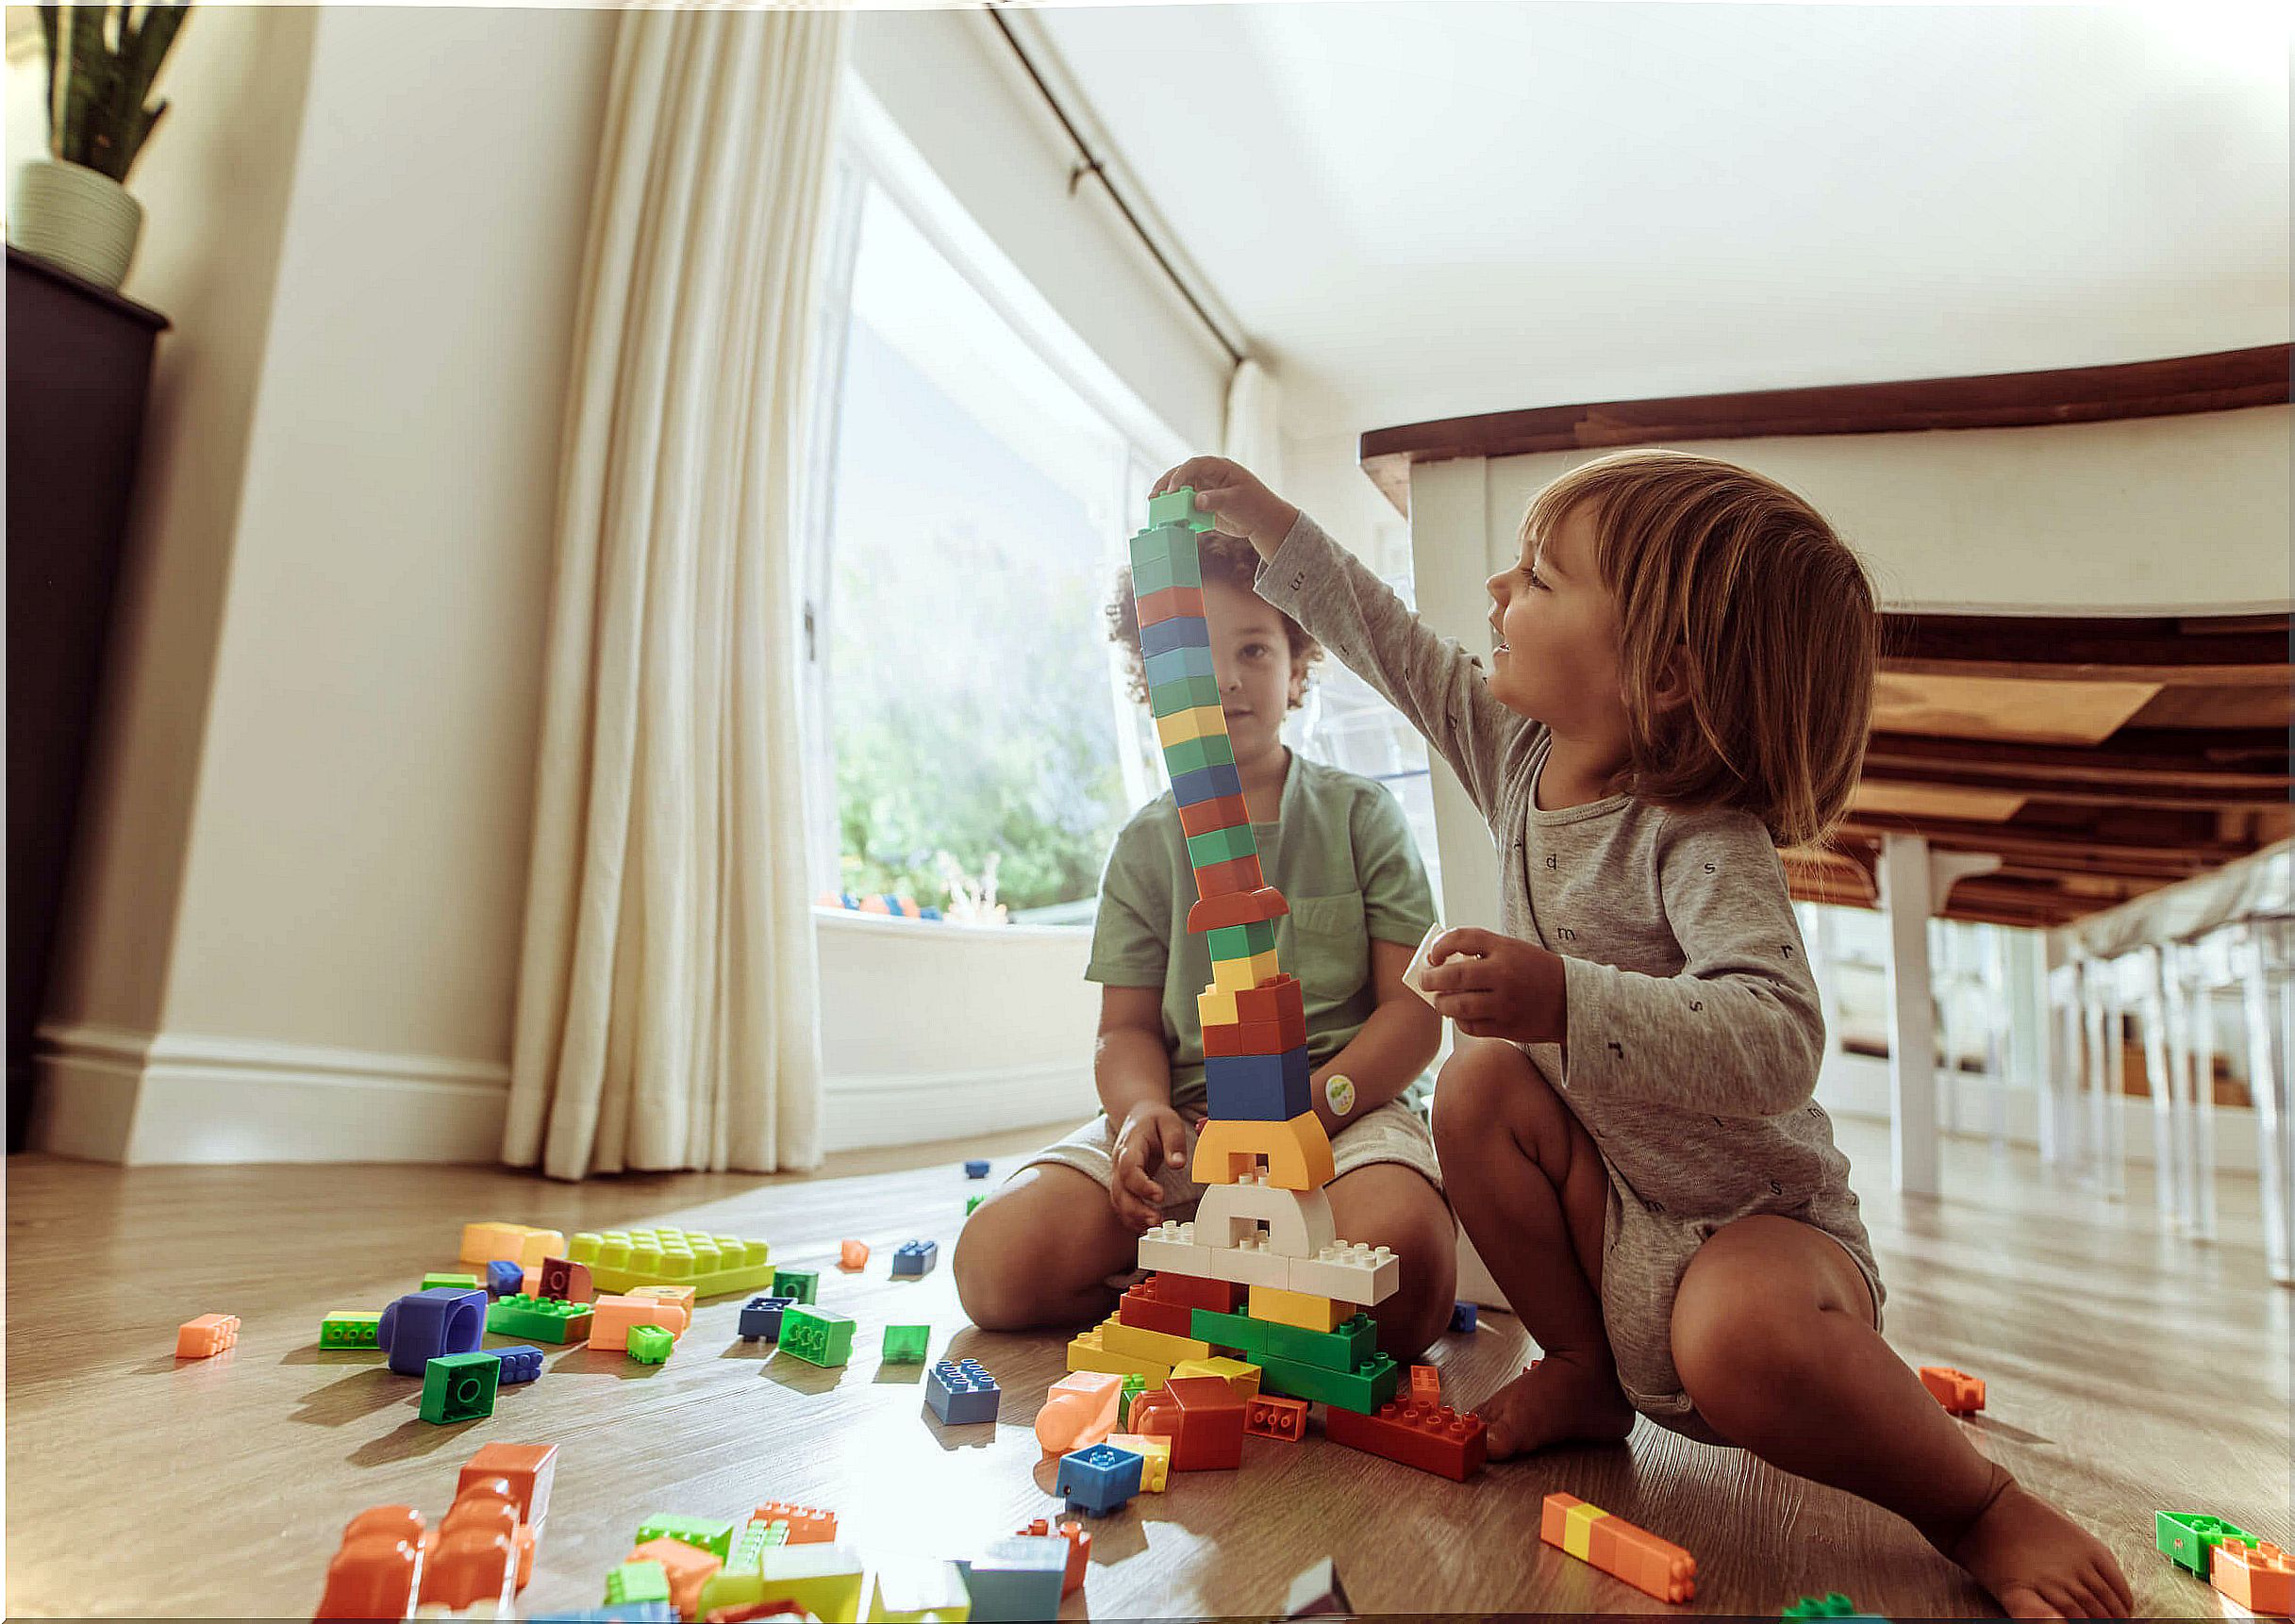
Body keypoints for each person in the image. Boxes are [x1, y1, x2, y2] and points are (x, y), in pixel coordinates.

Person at [1145, 451, 2132, 1622]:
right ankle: (1581, 1370)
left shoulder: (1701, 836)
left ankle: (1978, 1508)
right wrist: (1268, 526)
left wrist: (1567, 997)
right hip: (1615, 1219)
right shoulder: (1516, 755)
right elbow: (1385, 637)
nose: (1501, 592)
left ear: (1659, 675)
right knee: (1478, 1088)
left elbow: (1779, 1038)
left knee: (1739, 1333)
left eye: (1541, 578)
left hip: (1760, 1233)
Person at [953, 529, 1456, 1359]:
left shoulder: (1361, 815)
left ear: (1295, 671)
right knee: (996, 1266)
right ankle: (1222, 1291)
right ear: (1148, 684)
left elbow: (1411, 1016)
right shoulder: (1144, 848)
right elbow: (1125, 1030)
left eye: (1253, 649)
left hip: (1341, 1115)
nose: (1223, 678)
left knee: (1402, 1275)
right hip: (1186, 1127)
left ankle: (1229, 1289)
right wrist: (1140, 1114)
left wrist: (1319, 1104)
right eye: (1189, 658)